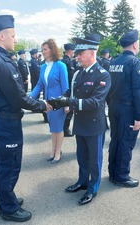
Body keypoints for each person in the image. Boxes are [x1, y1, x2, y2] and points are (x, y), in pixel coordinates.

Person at [0, 15, 50, 222]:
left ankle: (6, 198)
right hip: (7, 122)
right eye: (12, 35)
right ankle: (8, 208)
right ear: (2, 36)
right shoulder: (1, 63)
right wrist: (43, 106)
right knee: (9, 165)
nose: (15, 39)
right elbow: (19, 97)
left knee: (4, 163)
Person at [48, 33, 111, 205]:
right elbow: (70, 93)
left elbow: (96, 102)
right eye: (76, 54)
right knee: (82, 156)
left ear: (91, 53)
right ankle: (82, 181)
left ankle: (93, 188)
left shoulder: (102, 75)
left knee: (94, 159)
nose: (77, 57)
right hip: (81, 123)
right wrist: (57, 100)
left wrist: (68, 102)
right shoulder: (79, 74)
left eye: (80, 54)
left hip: (94, 125)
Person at [107, 30, 140, 188]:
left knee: (116, 139)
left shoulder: (114, 62)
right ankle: (122, 176)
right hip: (128, 109)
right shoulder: (135, 63)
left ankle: (113, 173)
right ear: (135, 44)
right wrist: (139, 116)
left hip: (114, 106)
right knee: (126, 142)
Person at [30, 39, 68, 163]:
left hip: (58, 103)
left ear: (52, 50)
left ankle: (58, 152)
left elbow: (65, 87)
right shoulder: (43, 67)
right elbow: (40, 84)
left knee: (58, 128)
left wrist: (66, 104)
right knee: (52, 128)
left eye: (45, 49)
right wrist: (30, 98)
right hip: (48, 103)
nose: (43, 52)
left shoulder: (60, 65)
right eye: (42, 49)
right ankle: (53, 150)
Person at [61, 43, 76, 137]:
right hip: (67, 89)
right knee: (68, 111)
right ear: (70, 51)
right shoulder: (66, 62)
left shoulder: (65, 61)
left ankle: (63, 128)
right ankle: (65, 129)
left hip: (67, 89)